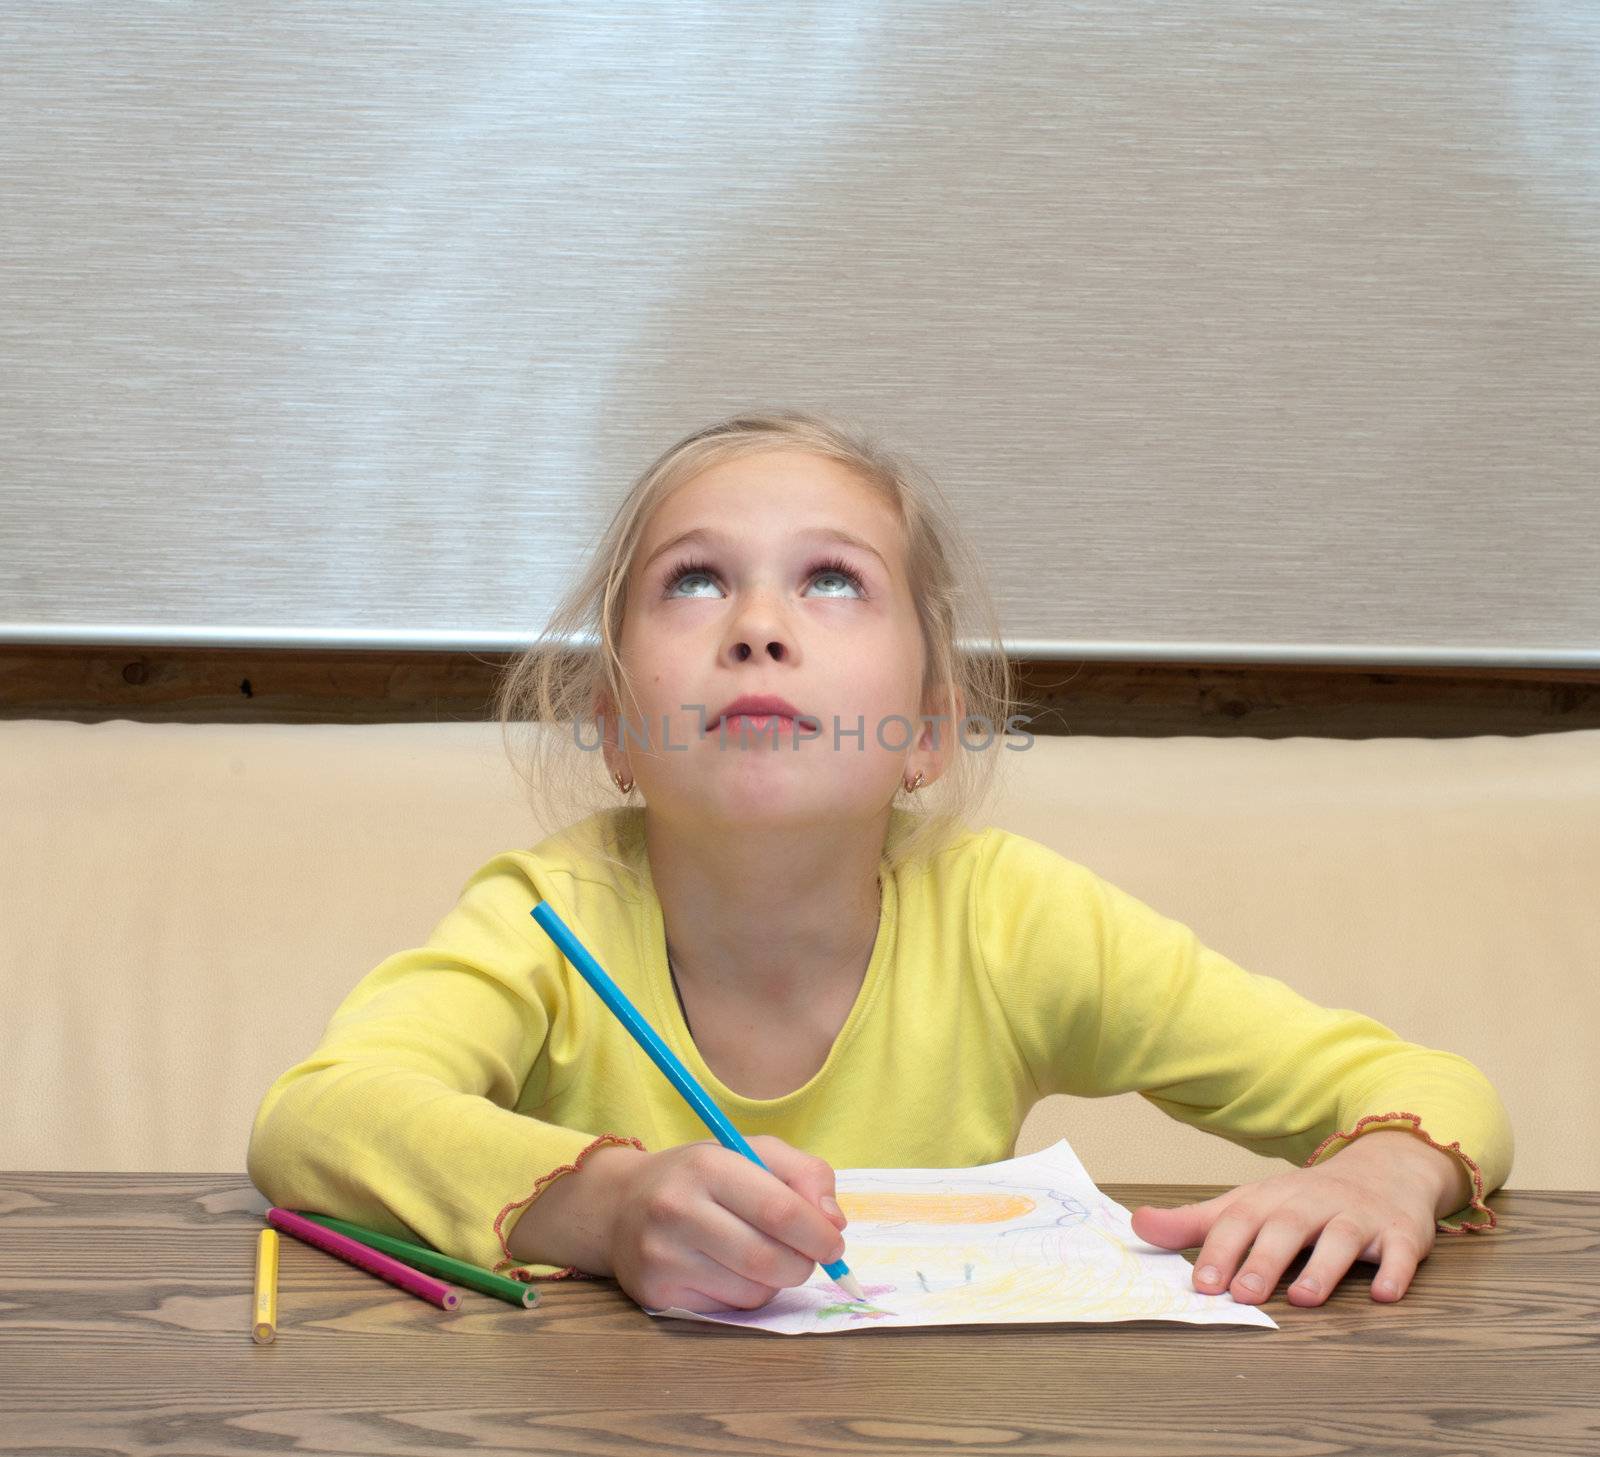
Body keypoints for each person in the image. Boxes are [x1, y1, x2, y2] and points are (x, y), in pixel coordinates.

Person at [247, 408, 1512, 1316]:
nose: (757, 627)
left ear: (926, 730)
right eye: (693, 580)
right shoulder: (542, 914)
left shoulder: (1013, 917)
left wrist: (1390, 1168)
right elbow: (316, 1116)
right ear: (616, 727)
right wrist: (610, 1208)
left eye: (832, 582)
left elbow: (1427, 1083)